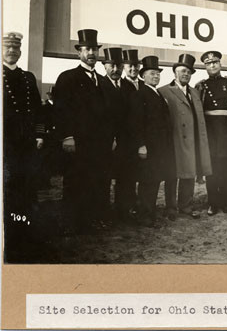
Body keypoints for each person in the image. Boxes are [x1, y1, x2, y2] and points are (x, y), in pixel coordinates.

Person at [54, 29, 110, 234]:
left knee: (97, 181)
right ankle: (71, 223)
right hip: (78, 142)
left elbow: (108, 114)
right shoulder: (67, 78)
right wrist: (67, 136)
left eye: (94, 49)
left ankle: (93, 219)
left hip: (99, 144)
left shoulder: (102, 81)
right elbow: (60, 110)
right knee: (76, 181)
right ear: (79, 53)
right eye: (87, 49)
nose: (91, 53)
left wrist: (109, 138)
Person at [3, 31, 44, 261]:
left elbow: (38, 110)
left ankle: (26, 231)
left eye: (16, 49)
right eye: (8, 47)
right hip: (6, 145)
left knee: (28, 189)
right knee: (9, 190)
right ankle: (10, 235)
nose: (12, 52)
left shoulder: (28, 78)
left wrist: (39, 135)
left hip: (28, 145)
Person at [159, 54, 212, 220]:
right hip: (174, 140)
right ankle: (171, 207)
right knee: (173, 175)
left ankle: (186, 206)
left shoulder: (195, 92)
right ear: (175, 72)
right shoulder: (164, 91)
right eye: (182, 71)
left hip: (192, 138)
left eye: (188, 72)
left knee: (189, 173)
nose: (186, 74)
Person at [195, 50, 227, 215]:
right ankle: (214, 203)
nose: (212, 65)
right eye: (208, 63)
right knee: (212, 167)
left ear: (220, 64)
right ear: (205, 66)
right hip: (210, 131)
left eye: (215, 62)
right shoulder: (200, 85)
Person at [129, 56, 174, 227]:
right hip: (148, 147)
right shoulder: (140, 95)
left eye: (158, 74)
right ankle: (145, 215)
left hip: (159, 147)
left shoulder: (158, 94)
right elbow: (136, 122)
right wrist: (141, 145)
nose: (156, 76)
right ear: (143, 76)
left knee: (154, 180)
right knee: (147, 181)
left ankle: (150, 213)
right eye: (152, 73)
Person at [100, 47, 137, 225]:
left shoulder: (129, 87)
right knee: (104, 177)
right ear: (104, 66)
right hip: (106, 141)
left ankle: (124, 210)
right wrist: (109, 137)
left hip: (126, 142)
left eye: (118, 66)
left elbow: (133, 115)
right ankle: (104, 213)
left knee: (126, 177)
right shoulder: (99, 85)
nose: (115, 70)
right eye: (111, 66)